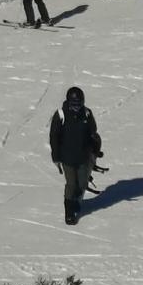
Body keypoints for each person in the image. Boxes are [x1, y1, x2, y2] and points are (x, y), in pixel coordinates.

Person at [49, 86, 102, 225]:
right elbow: (54, 137)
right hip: (67, 158)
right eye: (74, 104)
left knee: (82, 184)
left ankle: (76, 201)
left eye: (79, 104)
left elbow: (93, 133)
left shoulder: (87, 114)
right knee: (71, 184)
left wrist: (95, 149)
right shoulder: (60, 115)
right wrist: (56, 157)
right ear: (68, 102)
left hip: (83, 157)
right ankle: (69, 213)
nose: (76, 107)